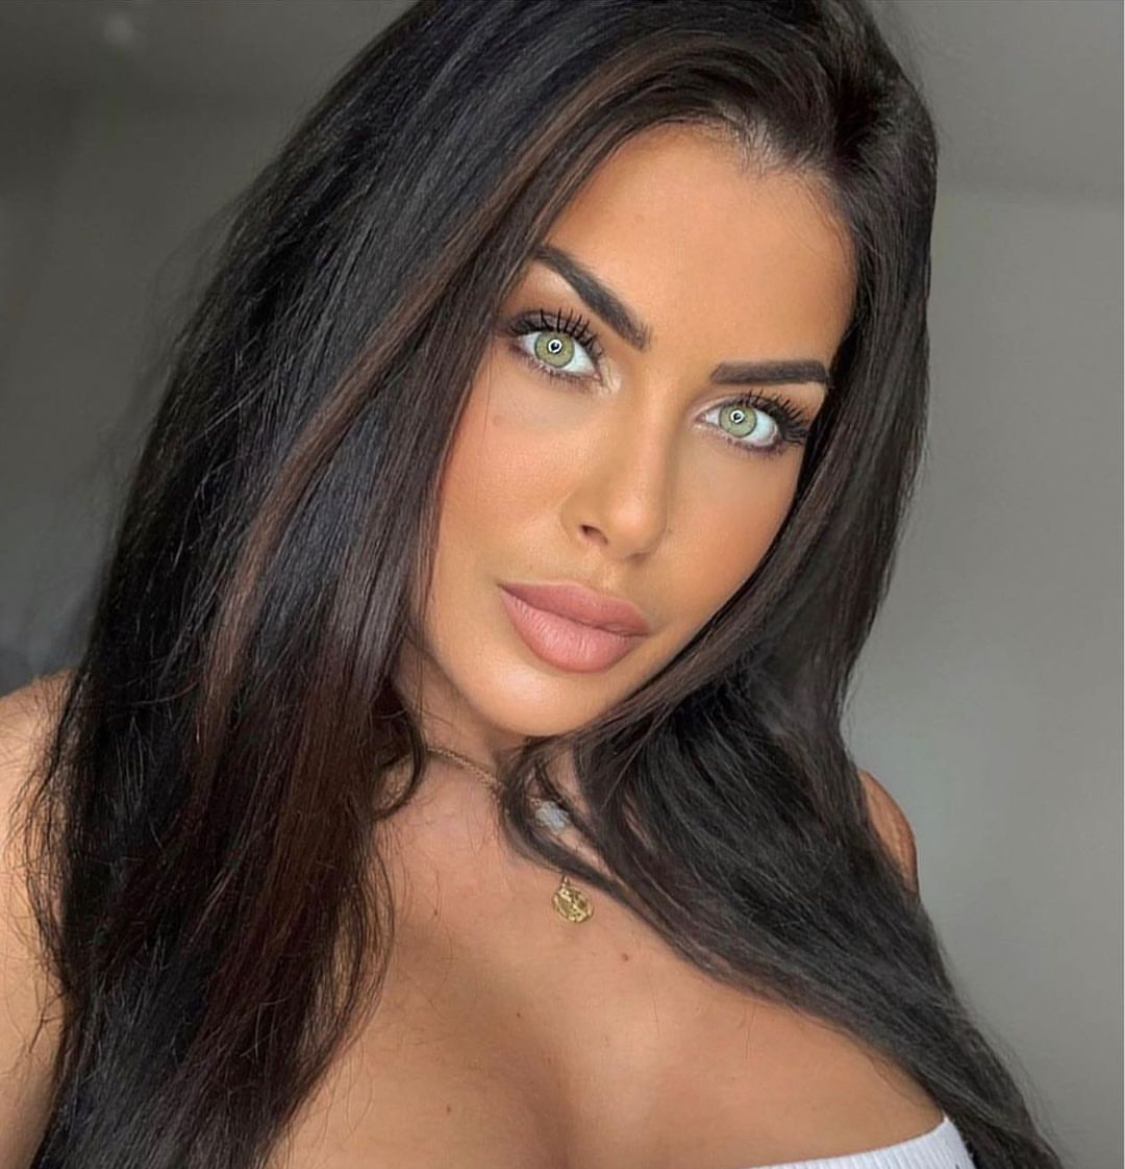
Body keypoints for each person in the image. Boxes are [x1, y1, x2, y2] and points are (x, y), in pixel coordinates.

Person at [0, 1, 1065, 1167]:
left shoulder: (842, 842)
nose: (635, 514)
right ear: (372, 309)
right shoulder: (54, 811)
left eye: (751, 417)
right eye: (559, 343)